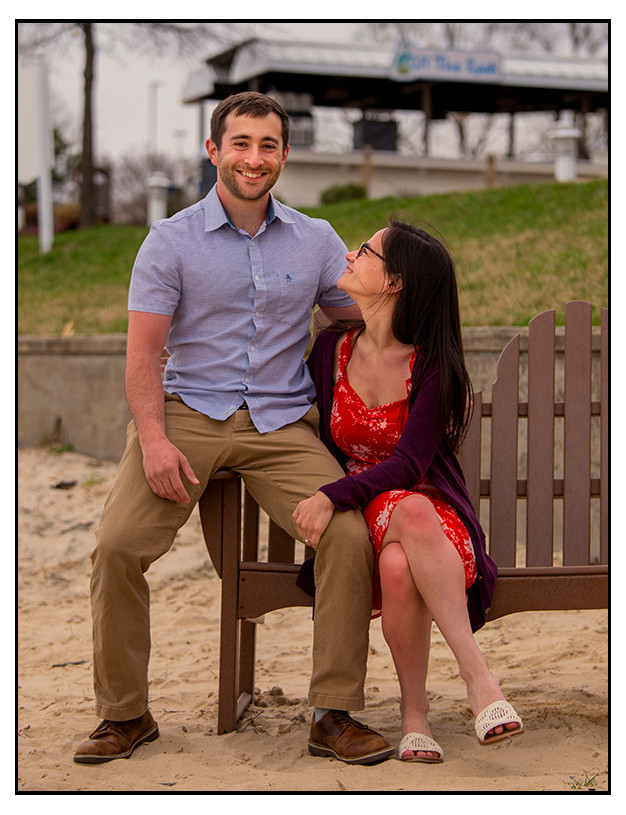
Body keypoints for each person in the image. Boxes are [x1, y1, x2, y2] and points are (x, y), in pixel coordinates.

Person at [73, 92, 395, 766]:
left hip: (281, 422)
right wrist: (155, 441)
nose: (255, 158)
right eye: (241, 143)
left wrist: (411, 292)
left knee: (345, 531)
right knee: (117, 546)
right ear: (214, 149)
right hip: (188, 413)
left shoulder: (314, 239)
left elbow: (364, 310)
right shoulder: (169, 241)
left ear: (283, 154)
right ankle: (126, 714)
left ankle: (332, 712)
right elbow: (142, 355)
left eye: (269, 145)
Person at [293, 219, 524, 763]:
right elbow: (277, 390)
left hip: (432, 525)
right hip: (363, 518)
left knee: (405, 545)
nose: (351, 253)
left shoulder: (433, 366)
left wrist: (331, 495)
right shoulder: (330, 351)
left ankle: (418, 716)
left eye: (366, 250)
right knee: (405, 524)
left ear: (393, 282)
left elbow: (409, 465)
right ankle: (479, 683)